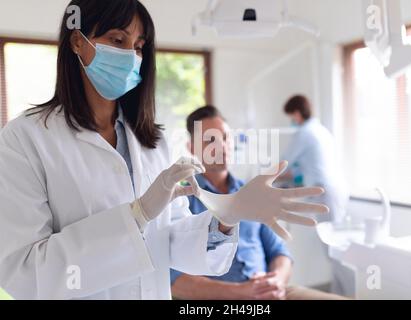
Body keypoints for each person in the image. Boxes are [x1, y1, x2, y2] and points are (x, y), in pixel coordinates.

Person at [0, 0, 326, 300]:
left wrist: (226, 218)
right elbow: (23, 273)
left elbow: (171, 244)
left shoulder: (152, 140)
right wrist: (136, 215)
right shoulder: (26, 139)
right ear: (77, 41)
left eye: (139, 47)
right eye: (117, 40)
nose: (131, 56)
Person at [170, 106, 346, 300]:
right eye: (210, 140)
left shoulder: (251, 193)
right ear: (191, 148)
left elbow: (280, 253)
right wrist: (241, 293)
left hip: (273, 292)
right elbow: (174, 280)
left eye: (226, 137)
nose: (221, 146)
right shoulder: (182, 199)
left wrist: (276, 281)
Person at [281, 95, 348, 225]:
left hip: (325, 192)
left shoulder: (305, 133)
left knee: (330, 239)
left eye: (291, 116)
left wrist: (264, 177)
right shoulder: (321, 130)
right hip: (336, 188)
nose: (292, 120)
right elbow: (305, 166)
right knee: (333, 237)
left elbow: (283, 163)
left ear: (297, 113)